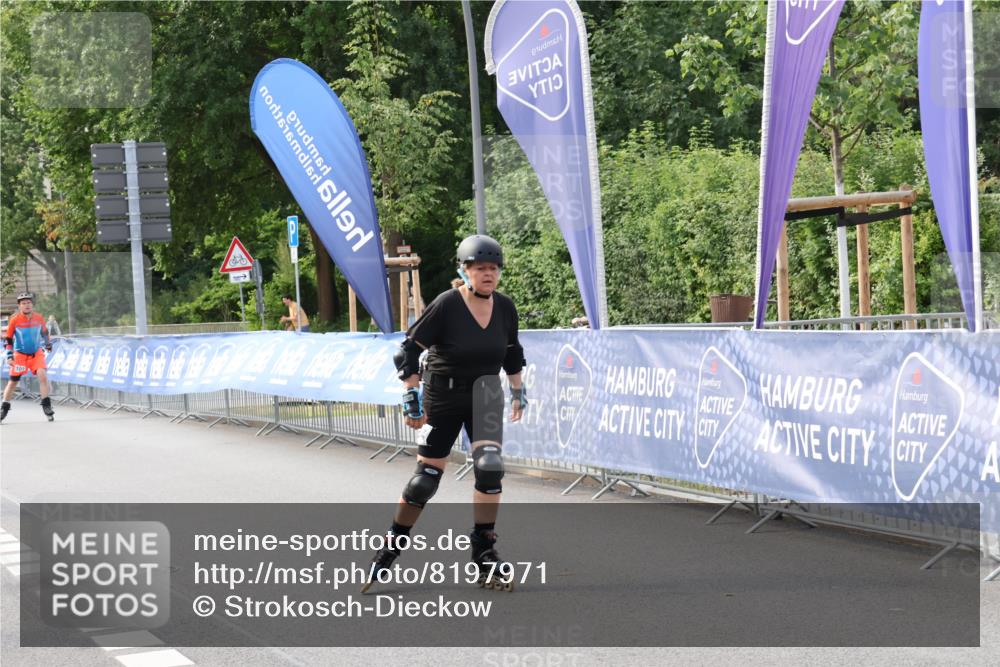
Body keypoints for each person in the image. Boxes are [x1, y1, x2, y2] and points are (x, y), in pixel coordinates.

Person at [364, 234, 526, 593]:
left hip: (485, 394)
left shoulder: (505, 307)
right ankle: (391, 545)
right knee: (425, 480)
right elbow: (407, 351)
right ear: (465, 271)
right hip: (443, 395)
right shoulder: (447, 304)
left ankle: (484, 550)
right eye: (480, 268)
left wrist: (518, 391)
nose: (488, 274)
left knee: (490, 468)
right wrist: (411, 395)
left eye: (493, 268)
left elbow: (512, 352)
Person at [1, 292, 54, 422]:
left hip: (36, 353)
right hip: (20, 355)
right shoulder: (14, 320)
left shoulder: (39, 317)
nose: (27, 305)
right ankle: (4, 408)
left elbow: (44, 332)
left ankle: (46, 405)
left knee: (42, 375)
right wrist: (9, 356)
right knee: (13, 382)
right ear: (19, 306)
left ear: (32, 304)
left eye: (29, 302)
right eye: (23, 303)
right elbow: (8, 339)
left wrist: (48, 343)